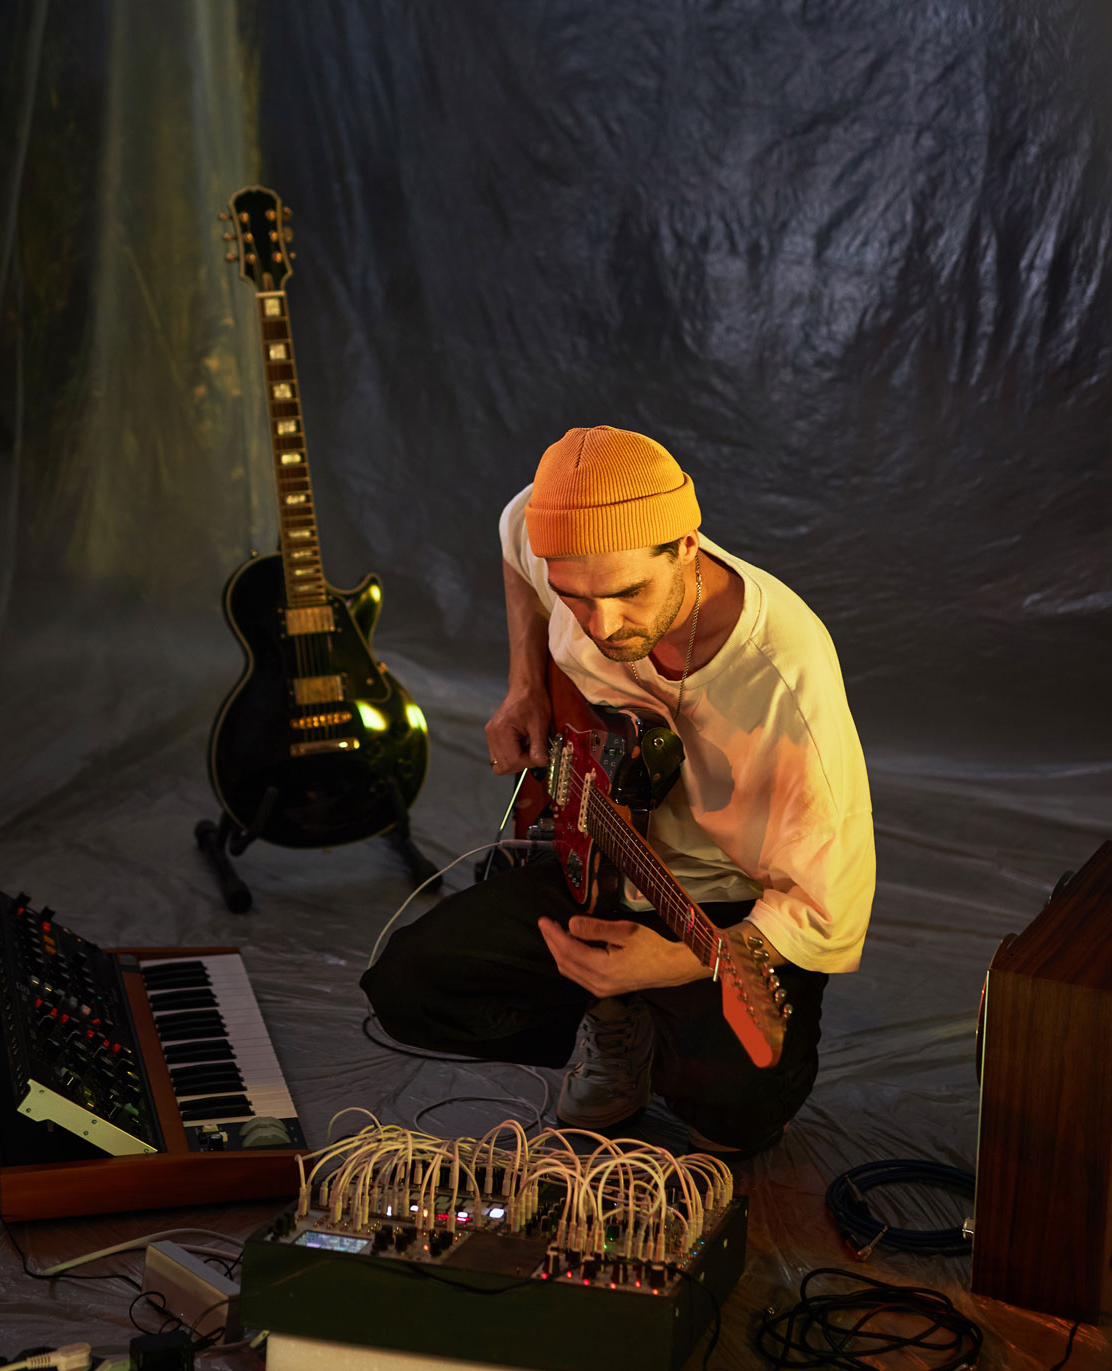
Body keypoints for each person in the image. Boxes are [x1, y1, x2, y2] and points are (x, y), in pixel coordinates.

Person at [362, 426, 874, 1155]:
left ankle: (647, 1010)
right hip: (595, 850)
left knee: (734, 1121)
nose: (602, 627)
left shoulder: (783, 683)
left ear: (686, 548)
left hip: (716, 906)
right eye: (573, 597)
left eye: (629, 593)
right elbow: (515, 536)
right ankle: (616, 1021)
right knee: (406, 989)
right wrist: (524, 686)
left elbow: (825, 910)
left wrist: (679, 961)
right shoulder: (550, 535)